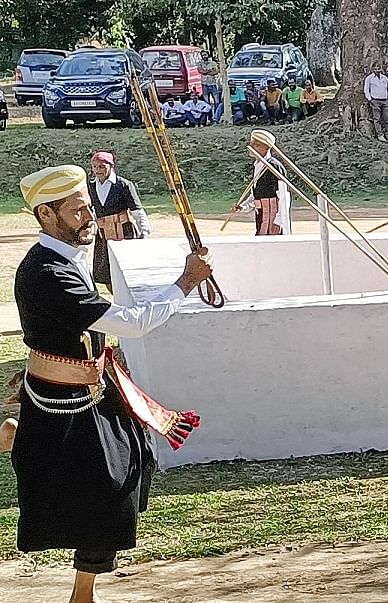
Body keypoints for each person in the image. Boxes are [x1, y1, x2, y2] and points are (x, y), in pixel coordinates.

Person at [10, 164, 212, 603]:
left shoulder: (68, 259)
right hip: (63, 402)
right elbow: (131, 324)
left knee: (132, 464)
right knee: (104, 489)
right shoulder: (47, 271)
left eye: (89, 208)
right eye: (78, 210)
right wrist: (186, 283)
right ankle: (84, 593)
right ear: (47, 214)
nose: (90, 218)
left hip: (93, 393)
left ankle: (84, 588)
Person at [85, 151, 150, 286]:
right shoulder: (90, 186)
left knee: (126, 272)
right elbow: (90, 211)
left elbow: (137, 211)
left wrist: (144, 231)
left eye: (102, 166)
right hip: (103, 235)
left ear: (111, 166)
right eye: (95, 167)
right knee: (105, 275)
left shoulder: (124, 185)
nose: (98, 170)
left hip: (124, 232)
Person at [246, 130, 291, 236]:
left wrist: (279, 221)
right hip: (261, 215)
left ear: (267, 148)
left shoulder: (274, 167)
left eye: (256, 145)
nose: (251, 147)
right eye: (251, 143)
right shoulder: (257, 165)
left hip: (273, 216)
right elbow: (256, 195)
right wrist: (243, 206)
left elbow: (283, 196)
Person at [363, 70, 388, 139]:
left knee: (387, 118)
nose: (377, 70)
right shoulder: (369, 78)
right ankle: (380, 134)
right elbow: (366, 89)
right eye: (376, 67)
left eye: (379, 68)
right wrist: (370, 99)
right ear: (373, 68)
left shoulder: (384, 78)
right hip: (375, 101)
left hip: (385, 100)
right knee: (377, 118)